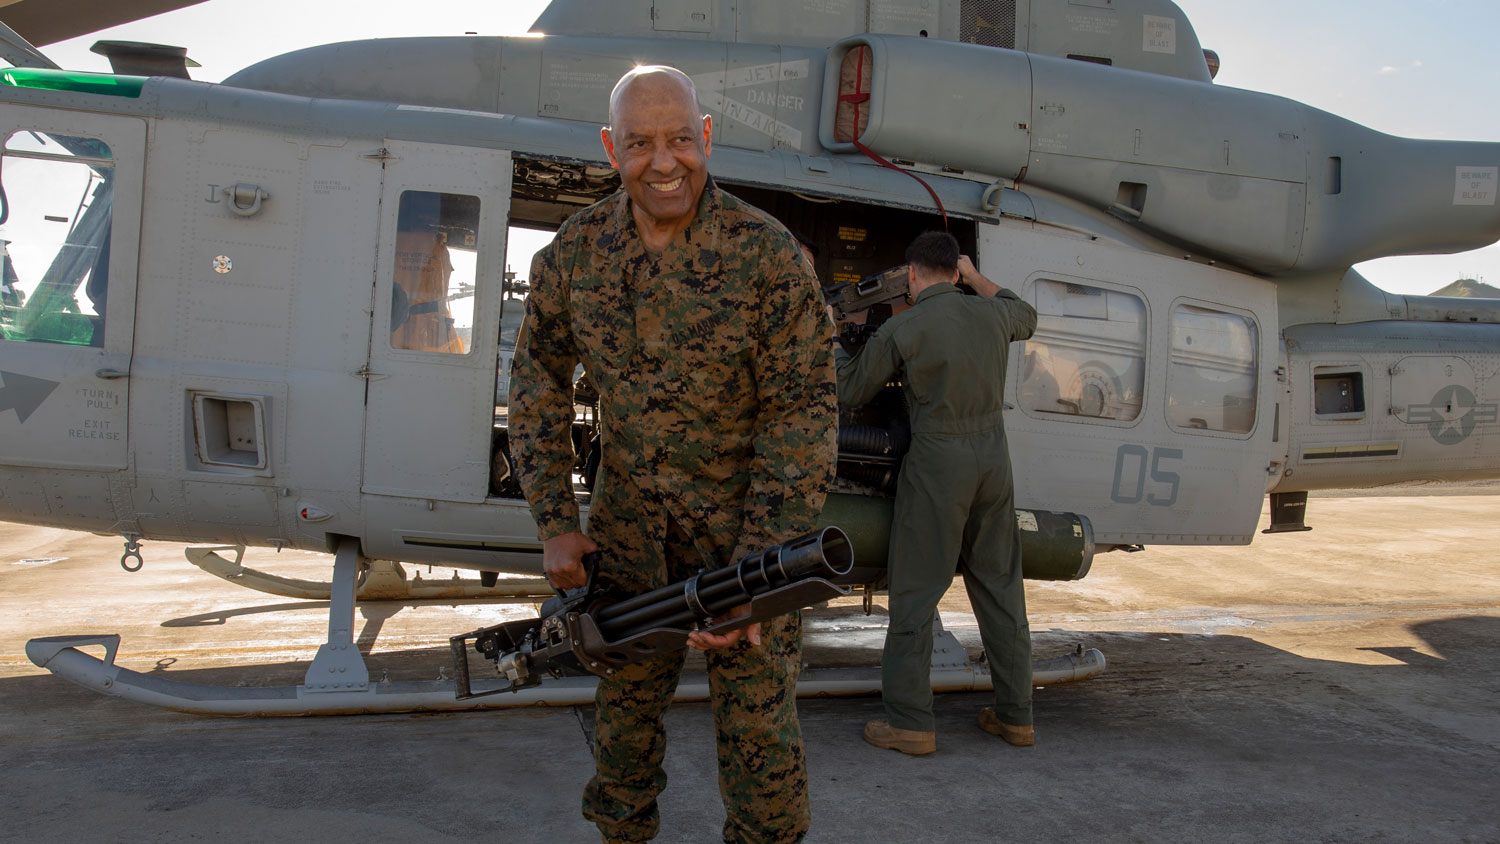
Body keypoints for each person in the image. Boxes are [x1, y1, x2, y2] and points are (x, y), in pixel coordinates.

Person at [508, 65, 837, 844]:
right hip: (627, 545)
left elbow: (804, 417)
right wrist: (556, 521)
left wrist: (759, 570)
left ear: (707, 137)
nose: (664, 162)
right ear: (610, 148)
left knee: (762, 754)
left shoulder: (769, 258)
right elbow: (535, 389)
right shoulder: (575, 257)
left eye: (681, 140)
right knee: (622, 739)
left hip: (747, 545)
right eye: (641, 144)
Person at [831, 232, 1038, 755]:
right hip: (993, 461)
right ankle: (1017, 718)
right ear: (956, 271)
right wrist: (975, 277)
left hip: (937, 464)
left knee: (916, 593)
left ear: (913, 275)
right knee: (1000, 588)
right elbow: (1025, 313)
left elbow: (852, 390)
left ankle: (911, 723)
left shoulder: (906, 326)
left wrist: (834, 344)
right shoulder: (993, 315)